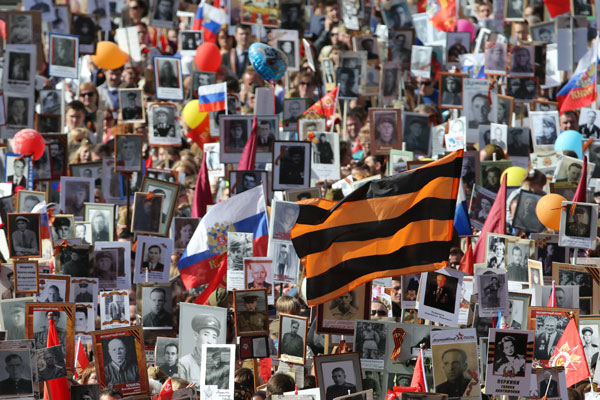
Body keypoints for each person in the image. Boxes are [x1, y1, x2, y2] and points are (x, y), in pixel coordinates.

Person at [178, 314, 221, 387]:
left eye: (214, 337)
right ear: (196, 335)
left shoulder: (220, 365)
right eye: (206, 334)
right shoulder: (184, 363)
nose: (210, 341)